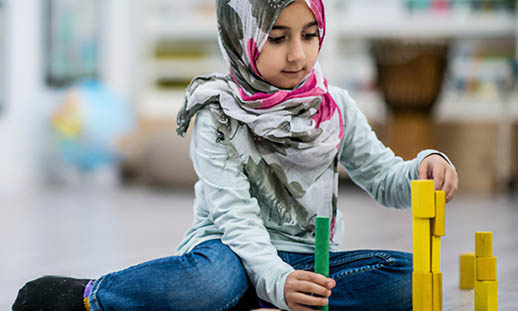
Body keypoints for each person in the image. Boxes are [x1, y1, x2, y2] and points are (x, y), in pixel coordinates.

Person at [12, 0, 458, 310]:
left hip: (303, 259)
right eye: (277, 37)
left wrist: (423, 168)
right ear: (240, 36)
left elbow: (383, 177)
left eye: (310, 34)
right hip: (228, 253)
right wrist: (275, 281)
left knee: (411, 278)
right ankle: (93, 297)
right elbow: (236, 218)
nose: (298, 54)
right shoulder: (218, 112)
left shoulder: (334, 108)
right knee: (211, 283)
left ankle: (266, 304)